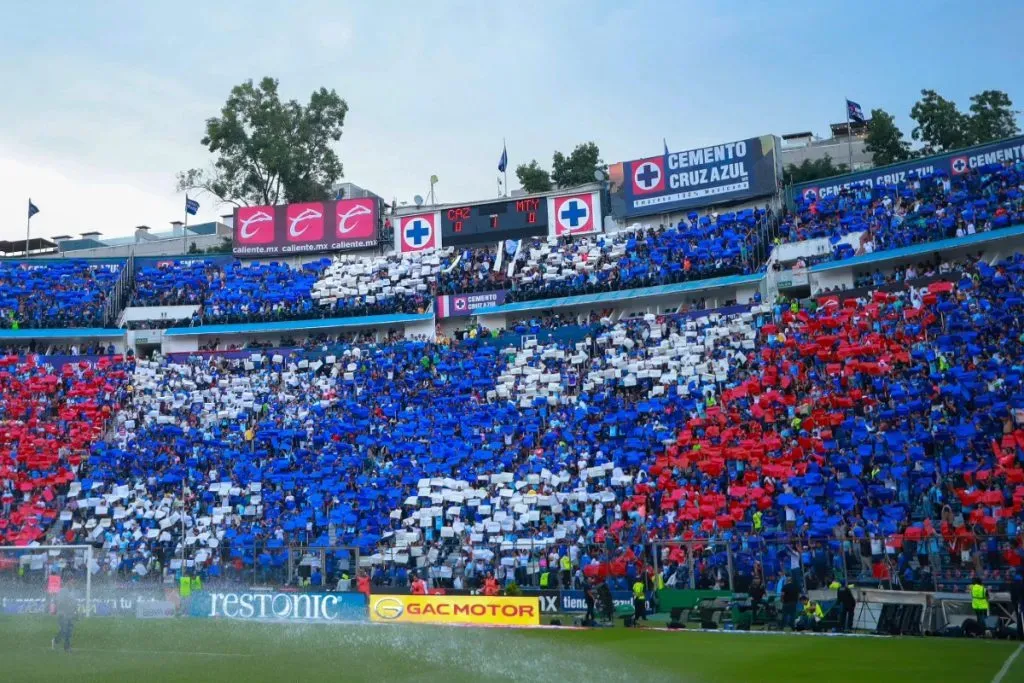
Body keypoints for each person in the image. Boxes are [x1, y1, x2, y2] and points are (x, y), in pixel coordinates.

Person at [52, 583, 77, 653]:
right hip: (62, 615)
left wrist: (75, 612)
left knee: (69, 631)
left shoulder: (71, 593)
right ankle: (57, 641)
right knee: (65, 630)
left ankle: (66, 647)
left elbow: (73, 603)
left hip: (69, 615)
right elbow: (59, 602)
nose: (72, 584)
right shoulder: (62, 592)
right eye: (71, 581)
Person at [1009, 570, 1023, 641]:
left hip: (1017, 602)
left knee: (1019, 618)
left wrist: (1014, 602)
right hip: (1020, 602)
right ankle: (1020, 634)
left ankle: (1019, 634)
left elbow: (1012, 595)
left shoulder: (1013, 583)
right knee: (1021, 619)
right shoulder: (1020, 583)